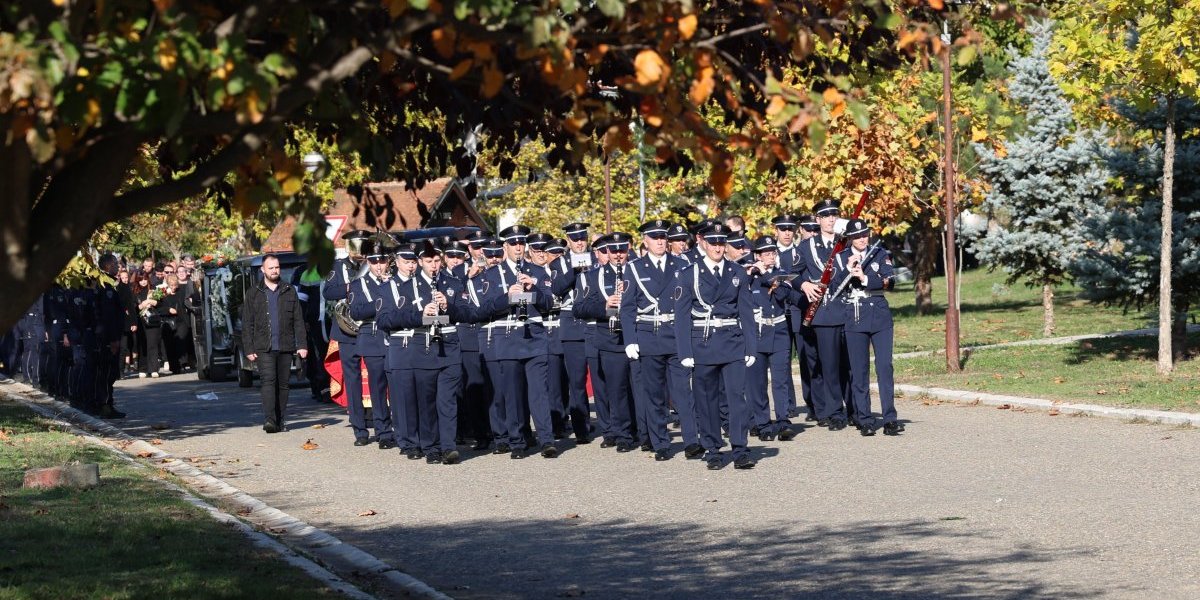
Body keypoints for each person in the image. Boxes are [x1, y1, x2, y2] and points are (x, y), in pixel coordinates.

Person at [674, 223, 758, 470]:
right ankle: (712, 448)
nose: (718, 248)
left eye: (722, 243)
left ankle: (740, 447)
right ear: (703, 243)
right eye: (713, 243)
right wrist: (685, 351)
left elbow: (746, 312)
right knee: (707, 400)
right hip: (703, 342)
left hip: (732, 341)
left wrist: (751, 347)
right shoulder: (689, 274)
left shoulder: (737, 272)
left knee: (736, 399)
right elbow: (681, 316)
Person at [378, 241, 466, 464]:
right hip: (422, 348)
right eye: (429, 261)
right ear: (419, 262)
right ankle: (430, 446)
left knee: (447, 401)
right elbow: (385, 319)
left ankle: (448, 447)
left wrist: (449, 307)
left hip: (449, 347)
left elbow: (469, 313)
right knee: (426, 402)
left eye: (437, 261)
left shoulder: (453, 283)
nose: (434, 266)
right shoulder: (405, 287)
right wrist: (420, 314)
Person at [620, 219, 700, 461]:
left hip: (675, 334)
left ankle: (691, 441)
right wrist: (630, 339)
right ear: (645, 241)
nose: (660, 242)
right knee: (654, 394)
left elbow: (688, 302)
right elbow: (627, 308)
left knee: (683, 392)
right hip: (648, 335)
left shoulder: (681, 264)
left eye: (663, 237)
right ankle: (660, 442)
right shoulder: (634, 268)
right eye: (654, 238)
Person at [829, 219, 904, 436]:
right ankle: (865, 418)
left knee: (884, 367)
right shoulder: (842, 257)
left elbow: (889, 281)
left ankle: (890, 417)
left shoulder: (879, 253)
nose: (863, 239)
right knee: (859, 370)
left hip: (879, 313)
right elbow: (834, 287)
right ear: (850, 238)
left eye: (865, 234)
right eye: (858, 235)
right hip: (855, 314)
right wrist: (846, 270)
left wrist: (864, 278)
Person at [793, 199, 851, 430]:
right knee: (829, 364)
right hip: (825, 312)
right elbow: (791, 273)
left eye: (834, 214)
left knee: (851, 365)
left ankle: (856, 409)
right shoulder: (807, 247)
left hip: (850, 310)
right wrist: (804, 285)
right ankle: (834, 411)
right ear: (817, 220)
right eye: (826, 215)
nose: (831, 219)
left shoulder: (846, 242)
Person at [241, 254, 308, 433]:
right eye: (271, 268)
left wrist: (302, 345)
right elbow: (247, 323)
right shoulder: (253, 293)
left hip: (286, 346)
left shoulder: (289, 290)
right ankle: (270, 420)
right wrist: (248, 348)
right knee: (268, 382)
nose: (274, 271)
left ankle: (281, 418)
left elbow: (298, 320)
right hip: (264, 346)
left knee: (283, 384)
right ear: (263, 270)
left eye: (277, 267)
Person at [323, 229, 379, 446]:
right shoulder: (338, 267)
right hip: (346, 330)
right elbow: (328, 292)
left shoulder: (374, 265)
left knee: (377, 375)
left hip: (371, 328)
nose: (361, 250)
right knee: (353, 379)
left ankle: (380, 422)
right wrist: (350, 286)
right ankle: (360, 429)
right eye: (357, 245)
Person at [348, 237, 403, 452]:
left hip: (395, 338)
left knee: (398, 388)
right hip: (372, 338)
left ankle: (401, 430)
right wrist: (382, 305)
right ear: (368, 262)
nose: (379, 266)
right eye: (374, 261)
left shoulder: (396, 280)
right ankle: (383, 432)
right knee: (378, 388)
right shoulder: (359, 284)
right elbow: (357, 311)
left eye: (382, 261)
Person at [746, 236, 798, 441]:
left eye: (773, 253)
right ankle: (763, 423)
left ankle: (783, 420)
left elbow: (785, 296)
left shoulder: (780, 276)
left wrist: (772, 277)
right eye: (766, 253)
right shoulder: (748, 275)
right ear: (757, 256)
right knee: (757, 382)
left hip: (778, 331)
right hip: (757, 333)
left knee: (780, 379)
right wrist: (754, 272)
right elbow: (738, 291)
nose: (770, 257)